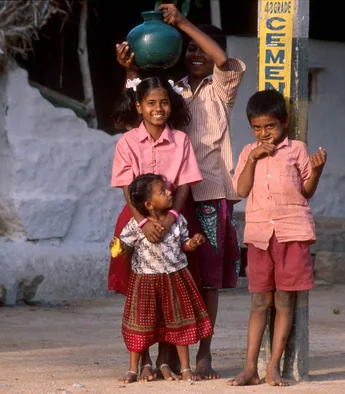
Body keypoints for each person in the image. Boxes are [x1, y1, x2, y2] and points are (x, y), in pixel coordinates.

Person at [115, 3, 246, 379]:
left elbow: (223, 59)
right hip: (170, 200)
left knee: (207, 277)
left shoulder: (221, 87)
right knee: (170, 276)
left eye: (201, 48)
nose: (196, 54)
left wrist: (183, 23)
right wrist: (130, 70)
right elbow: (140, 107)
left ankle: (203, 352)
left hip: (210, 193)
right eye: (189, 49)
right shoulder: (175, 90)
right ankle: (166, 357)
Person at [228, 89, 327, 387]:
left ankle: (274, 367)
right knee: (260, 300)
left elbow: (306, 191)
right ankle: (249, 368)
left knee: (285, 300)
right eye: (257, 128)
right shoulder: (248, 152)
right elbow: (241, 191)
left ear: (284, 122)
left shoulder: (297, 149)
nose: (264, 133)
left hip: (292, 232)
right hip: (259, 236)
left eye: (270, 126)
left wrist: (317, 171)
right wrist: (254, 158)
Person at [109, 76, 203, 381]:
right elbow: (126, 186)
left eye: (163, 102)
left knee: (171, 291)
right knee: (140, 291)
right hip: (137, 218)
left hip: (173, 215)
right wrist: (143, 221)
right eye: (151, 103)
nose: (158, 108)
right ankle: (144, 359)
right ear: (139, 106)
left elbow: (186, 184)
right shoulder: (127, 142)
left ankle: (165, 359)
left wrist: (173, 215)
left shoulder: (181, 141)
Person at [112, 173, 212, 384]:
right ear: (149, 204)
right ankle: (133, 368)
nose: (169, 193)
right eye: (163, 192)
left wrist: (192, 244)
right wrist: (119, 248)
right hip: (145, 282)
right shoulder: (136, 225)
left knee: (177, 323)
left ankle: (185, 368)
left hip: (174, 279)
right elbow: (126, 246)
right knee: (141, 325)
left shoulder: (177, 221)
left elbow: (184, 244)